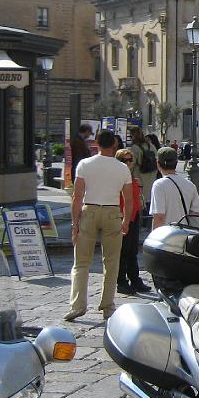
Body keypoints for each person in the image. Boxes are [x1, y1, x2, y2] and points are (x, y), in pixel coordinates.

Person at [66, 129, 132, 322]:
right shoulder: (122, 168)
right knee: (111, 262)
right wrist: (126, 221)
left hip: (90, 210)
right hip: (112, 212)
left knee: (81, 262)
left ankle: (77, 305)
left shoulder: (85, 164)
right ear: (114, 144)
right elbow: (127, 199)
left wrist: (74, 224)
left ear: (96, 143)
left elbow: (77, 197)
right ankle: (107, 305)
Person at [114, 148, 150, 295]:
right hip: (123, 216)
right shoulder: (117, 177)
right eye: (125, 160)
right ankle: (122, 282)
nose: (128, 163)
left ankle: (135, 279)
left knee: (132, 251)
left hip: (134, 216)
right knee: (122, 251)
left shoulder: (131, 177)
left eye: (130, 160)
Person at [150, 147, 199, 229]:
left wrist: (154, 238)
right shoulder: (189, 184)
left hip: (167, 235)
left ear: (157, 163)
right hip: (186, 234)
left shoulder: (159, 185)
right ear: (176, 162)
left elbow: (159, 217)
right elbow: (198, 213)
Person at [128, 126, 159, 219]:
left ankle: (142, 222)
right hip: (152, 175)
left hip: (139, 177)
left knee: (141, 200)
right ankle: (149, 223)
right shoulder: (151, 146)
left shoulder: (135, 148)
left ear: (133, 136)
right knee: (149, 199)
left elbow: (131, 164)